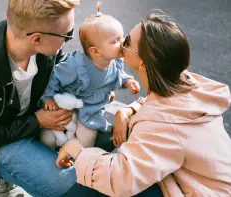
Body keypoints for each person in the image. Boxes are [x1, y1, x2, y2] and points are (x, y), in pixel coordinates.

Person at [56, 11, 231, 197]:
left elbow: (120, 178)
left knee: (88, 190)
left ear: (143, 65)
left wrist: (78, 151)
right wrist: (129, 110)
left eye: (128, 41)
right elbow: (165, 108)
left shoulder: (164, 125)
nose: (122, 42)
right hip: (202, 184)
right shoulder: (186, 82)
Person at [0, 0, 81, 197]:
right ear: (36, 39)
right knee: (72, 187)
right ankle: (0, 181)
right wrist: (37, 121)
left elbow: (62, 66)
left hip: (34, 119)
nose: (69, 39)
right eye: (67, 35)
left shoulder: (43, 46)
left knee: (102, 143)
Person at [40, 14, 140, 149]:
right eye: (115, 40)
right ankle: (47, 159)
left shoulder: (115, 61)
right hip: (67, 103)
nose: (123, 42)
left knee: (86, 142)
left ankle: (74, 161)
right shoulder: (75, 65)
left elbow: (118, 75)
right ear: (95, 51)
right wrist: (48, 97)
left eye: (122, 37)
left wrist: (127, 81)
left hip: (91, 110)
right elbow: (56, 76)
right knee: (48, 139)